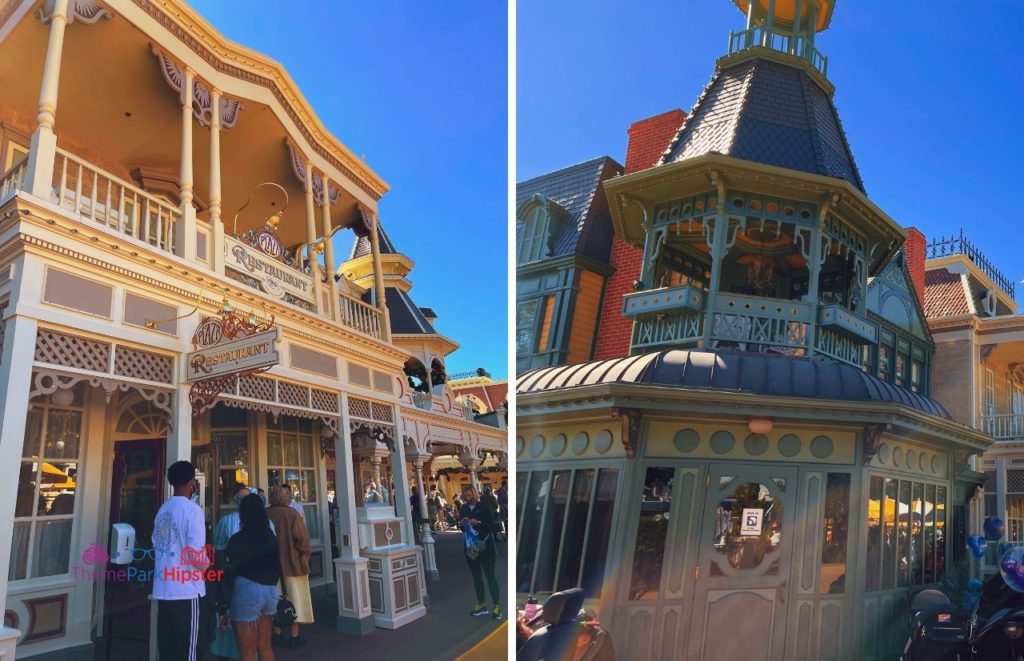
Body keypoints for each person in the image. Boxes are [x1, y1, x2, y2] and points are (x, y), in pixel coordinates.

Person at [152, 460, 210, 661]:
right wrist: (208, 565)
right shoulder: (192, 511)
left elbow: (156, 544)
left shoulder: (163, 510)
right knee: (190, 649)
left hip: (164, 587)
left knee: (168, 648)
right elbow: (194, 553)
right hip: (186, 589)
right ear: (191, 482)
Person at [219, 494, 281, 661]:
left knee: (247, 652)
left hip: (247, 590)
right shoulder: (270, 536)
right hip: (270, 591)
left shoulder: (237, 540)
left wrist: (223, 605)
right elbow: (278, 565)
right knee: (265, 646)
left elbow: (229, 572)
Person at [266, 486, 313, 648]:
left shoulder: (266, 514)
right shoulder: (292, 514)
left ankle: (277, 633)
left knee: (275, 602)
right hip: (292, 565)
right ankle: (295, 635)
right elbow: (302, 540)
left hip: (271, 567)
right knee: (295, 601)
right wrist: (305, 556)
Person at [460, 485, 502, 620]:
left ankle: (497, 606)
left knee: (490, 576)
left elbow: (493, 526)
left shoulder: (483, 507)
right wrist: (463, 523)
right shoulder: (464, 508)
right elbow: (462, 529)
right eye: (465, 495)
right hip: (471, 547)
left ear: (474, 494)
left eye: (470, 494)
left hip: (486, 546)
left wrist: (478, 522)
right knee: (477, 577)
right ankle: (481, 604)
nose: (468, 497)